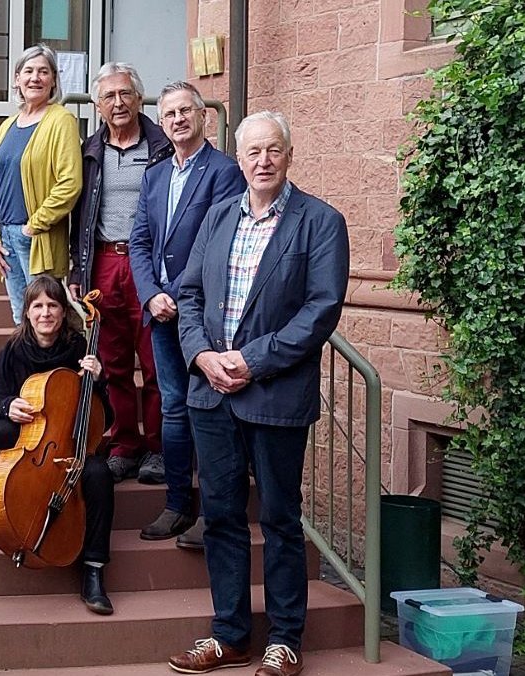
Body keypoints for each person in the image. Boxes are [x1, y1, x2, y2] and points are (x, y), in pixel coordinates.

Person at [166, 112, 348, 676]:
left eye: (272, 150)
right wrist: (200, 354)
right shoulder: (219, 215)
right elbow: (189, 294)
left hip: (274, 395)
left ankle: (286, 639)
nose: (262, 161)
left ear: (289, 155)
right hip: (212, 395)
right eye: (252, 152)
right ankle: (231, 636)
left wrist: (253, 359)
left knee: (279, 519)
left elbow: (320, 310)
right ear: (238, 158)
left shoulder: (321, 222)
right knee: (220, 517)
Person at [128, 81, 245, 550]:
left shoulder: (224, 172)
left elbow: (220, 241)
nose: (177, 119)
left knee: (211, 412)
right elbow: (140, 241)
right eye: (169, 113)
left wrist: (177, 293)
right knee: (174, 408)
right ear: (161, 122)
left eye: (185, 111)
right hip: (160, 314)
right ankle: (177, 505)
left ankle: (215, 515)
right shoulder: (155, 176)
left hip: (202, 313)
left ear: (203, 116)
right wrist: (151, 294)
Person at [0, 274, 115, 615]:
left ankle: (94, 570)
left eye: (53, 305)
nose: (46, 312)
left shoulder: (79, 350)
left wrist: (97, 383)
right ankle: (9, 495)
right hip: (28, 443)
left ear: (62, 311)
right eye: (38, 305)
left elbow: (106, 420)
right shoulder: (11, 352)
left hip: (68, 446)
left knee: (99, 473)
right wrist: (8, 406)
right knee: (0, 432)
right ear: (27, 312)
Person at [69, 62, 170, 485]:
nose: (118, 102)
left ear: (138, 97)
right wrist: (78, 266)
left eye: (125, 94)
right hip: (105, 260)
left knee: (154, 360)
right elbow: (77, 212)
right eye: (108, 96)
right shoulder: (89, 150)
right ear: (97, 105)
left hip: (149, 262)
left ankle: (158, 447)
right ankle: (125, 443)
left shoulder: (162, 146)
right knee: (111, 361)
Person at [0, 44, 82, 325]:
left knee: (47, 320)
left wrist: (33, 226)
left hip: (36, 238)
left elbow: (70, 183)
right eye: (28, 71)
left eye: (43, 72)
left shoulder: (61, 120)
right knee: (21, 318)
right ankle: (30, 372)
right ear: (17, 79)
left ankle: (59, 371)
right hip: (6, 241)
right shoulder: (8, 125)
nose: (35, 78)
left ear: (53, 80)